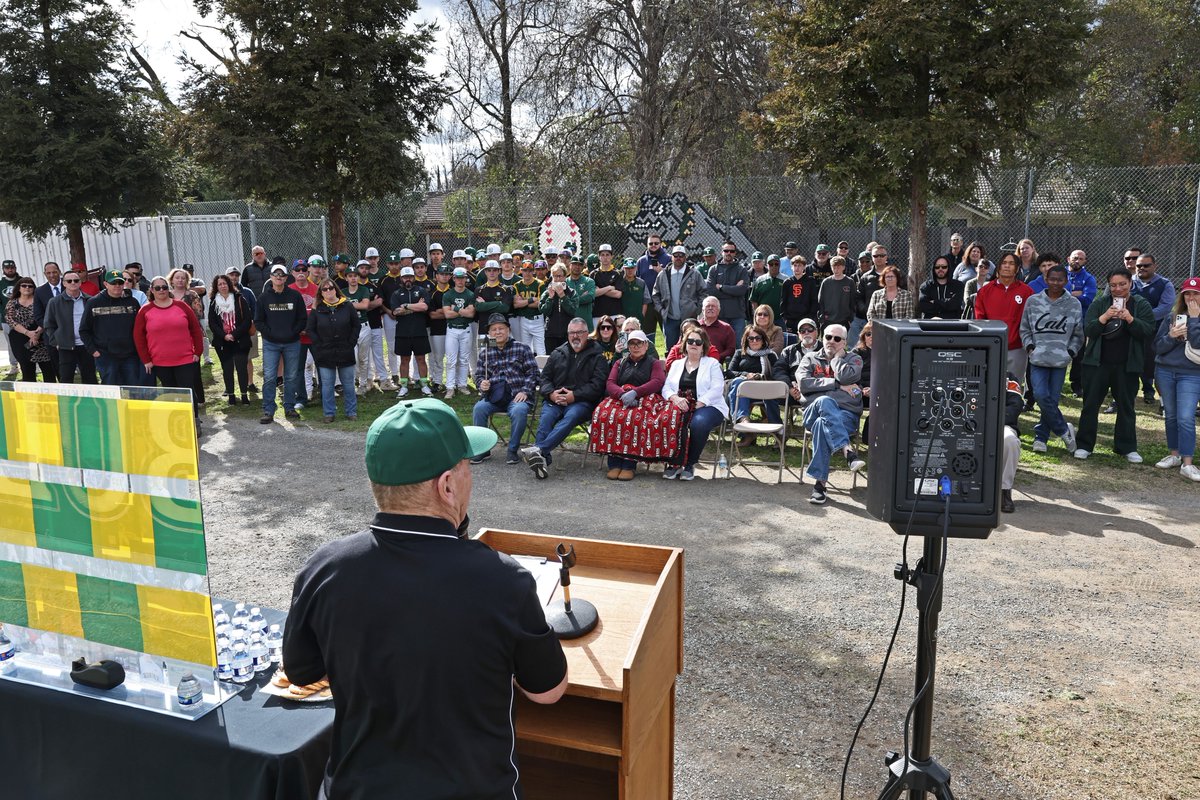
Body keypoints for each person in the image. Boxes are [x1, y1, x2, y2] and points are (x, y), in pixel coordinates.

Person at [282, 399, 567, 799]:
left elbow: (301, 672)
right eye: (469, 466)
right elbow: (548, 691)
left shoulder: (323, 568)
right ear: (447, 486)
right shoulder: (503, 581)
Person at [1074, 268, 1155, 461]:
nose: (1117, 289)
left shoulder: (1140, 304)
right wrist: (1104, 317)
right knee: (1090, 405)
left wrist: (1130, 318)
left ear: (1130, 284)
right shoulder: (1100, 303)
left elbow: (1148, 330)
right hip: (1097, 364)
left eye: (1122, 284)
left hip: (1127, 365)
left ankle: (1126, 447)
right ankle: (1084, 445)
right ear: (1108, 286)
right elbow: (1089, 329)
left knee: (1126, 407)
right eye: (1113, 285)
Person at [522, 318, 608, 478]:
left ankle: (539, 450)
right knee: (546, 419)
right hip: (555, 399)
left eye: (579, 332)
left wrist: (574, 396)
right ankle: (542, 461)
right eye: (572, 333)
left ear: (587, 333)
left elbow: (598, 385)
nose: (575, 336)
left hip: (581, 402)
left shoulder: (598, 356)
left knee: (570, 417)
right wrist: (551, 394)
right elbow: (544, 379)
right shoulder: (557, 353)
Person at [794, 323, 866, 505]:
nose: (831, 342)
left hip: (845, 415)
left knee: (821, 425)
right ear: (822, 338)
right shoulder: (809, 358)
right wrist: (837, 386)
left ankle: (819, 485)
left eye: (837, 339)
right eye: (828, 337)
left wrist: (837, 359)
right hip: (812, 411)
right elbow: (804, 384)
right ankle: (847, 451)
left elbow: (848, 377)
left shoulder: (854, 359)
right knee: (824, 402)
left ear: (845, 342)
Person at [1019, 264, 1083, 453]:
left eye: (1060, 279)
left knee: (1052, 399)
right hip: (1037, 358)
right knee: (1039, 395)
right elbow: (1025, 329)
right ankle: (1064, 430)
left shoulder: (1073, 303)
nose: (1055, 283)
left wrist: (1070, 352)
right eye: (1052, 279)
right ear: (1046, 279)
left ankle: (1041, 438)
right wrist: (1030, 347)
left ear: (1066, 281)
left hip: (1060, 360)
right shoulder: (1033, 301)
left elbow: (1078, 334)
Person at [592, 329, 666, 480]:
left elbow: (657, 382)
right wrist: (622, 394)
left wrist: (636, 393)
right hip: (621, 397)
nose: (636, 346)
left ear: (646, 345)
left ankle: (628, 464)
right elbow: (610, 382)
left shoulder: (654, 363)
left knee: (633, 418)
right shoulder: (620, 362)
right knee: (606, 414)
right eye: (632, 343)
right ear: (628, 346)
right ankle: (613, 463)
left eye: (639, 343)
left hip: (643, 398)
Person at [661, 327, 729, 480]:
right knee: (670, 420)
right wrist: (675, 398)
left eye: (698, 342)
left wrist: (702, 402)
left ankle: (690, 464)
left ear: (703, 345)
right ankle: (674, 463)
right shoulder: (676, 364)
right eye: (690, 341)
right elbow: (666, 387)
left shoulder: (712, 364)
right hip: (680, 404)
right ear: (685, 344)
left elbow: (718, 388)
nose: (693, 344)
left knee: (698, 423)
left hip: (709, 405)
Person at [471, 314, 539, 465]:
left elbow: (533, 373)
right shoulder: (486, 352)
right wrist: (482, 383)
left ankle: (512, 450)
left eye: (501, 328)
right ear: (489, 333)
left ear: (508, 330)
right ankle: (482, 450)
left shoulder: (522, 348)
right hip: (494, 397)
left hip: (517, 396)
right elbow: (479, 376)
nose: (498, 332)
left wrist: (525, 391)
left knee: (519, 411)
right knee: (479, 408)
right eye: (493, 329)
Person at [133, 276, 205, 419]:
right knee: (170, 394)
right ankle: (175, 423)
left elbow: (195, 329)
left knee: (188, 392)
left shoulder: (181, 306)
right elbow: (138, 336)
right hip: (160, 361)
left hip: (185, 359)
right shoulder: (145, 310)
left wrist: (198, 351)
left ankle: (192, 422)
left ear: (168, 289)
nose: (161, 290)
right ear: (152, 290)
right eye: (157, 288)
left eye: (164, 287)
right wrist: (146, 360)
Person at [1151, 277, 1200, 481]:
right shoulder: (1173, 317)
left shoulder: (1197, 318)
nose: (1191, 297)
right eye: (1187, 293)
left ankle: (1187, 463)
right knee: (1171, 416)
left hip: (1192, 373)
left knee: (1186, 417)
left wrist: (1195, 319)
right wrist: (1171, 336)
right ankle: (1174, 454)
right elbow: (1158, 347)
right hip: (1165, 370)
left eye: (1196, 293)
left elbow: (1197, 344)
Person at [254, 264, 309, 423]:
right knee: (270, 377)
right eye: (275, 274)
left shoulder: (295, 296)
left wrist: (293, 332)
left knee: (291, 377)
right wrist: (270, 334)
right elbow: (258, 321)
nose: (278, 277)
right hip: (271, 343)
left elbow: (302, 319)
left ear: (286, 278)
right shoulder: (263, 298)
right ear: (270, 277)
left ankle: (289, 407)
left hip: (292, 342)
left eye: (282, 275)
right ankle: (268, 410)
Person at [307, 279, 359, 422]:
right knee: (327, 384)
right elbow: (310, 329)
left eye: (331, 288)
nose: (328, 291)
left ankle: (351, 411)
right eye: (324, 289)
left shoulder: (347, 305)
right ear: (321, 293)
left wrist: (351, 343)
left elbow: (356, 325)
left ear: (336, 289)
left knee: (348, 383)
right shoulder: (317, 308)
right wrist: (318, 345)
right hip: (325, 352)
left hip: (345, 349)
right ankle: (329, 413)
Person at [975, 252, 1034, 377]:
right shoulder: (985, 291)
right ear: (998, 267)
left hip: (1017, 348)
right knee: (990, 384)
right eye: (1004, 263)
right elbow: (979, 320)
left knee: (1014, 387)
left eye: (1011, 263)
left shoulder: (1026, 291)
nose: (1007, 266)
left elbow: (1031, 319)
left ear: (1017, 269)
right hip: (991, 347)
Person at [80, 270, 142, 387]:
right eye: (113, 283)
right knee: (110, 389)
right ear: (105, 284)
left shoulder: (132, 302)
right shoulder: (93, 302)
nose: (117, 286)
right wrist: (93, 350)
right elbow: (84, 330)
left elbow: (139, 328)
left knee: (134, 388)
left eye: (120, 282)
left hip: (130, 355)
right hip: (105, 355)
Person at [1131, 253, 1176, 406]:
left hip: (1154, 331)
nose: (1141, 268)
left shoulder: (1165, 284)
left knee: (1150, 363)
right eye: (1138, 266)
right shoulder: (1129, 282)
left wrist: (1141, 318)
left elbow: (1165, 307)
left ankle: (1151, 393)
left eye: (1146, 265)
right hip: (1130, 330)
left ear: (1155, 266)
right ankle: (1124, 396)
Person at [43, 267, 98, 384]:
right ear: (64, 283)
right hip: (66, 347)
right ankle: (66, 402)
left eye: (76, 280)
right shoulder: (54, 302)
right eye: (69, 281)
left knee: (90, 377)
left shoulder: (90, 300)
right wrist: (56, 342)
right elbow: (49, 324)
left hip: (86, 345)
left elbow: (96, 323)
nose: (73, 283)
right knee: (66, 378)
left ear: (80, 282)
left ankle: (91, 402)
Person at [727, 326, 782, 442]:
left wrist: (761, 378)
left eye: (758, 338)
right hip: (744, 392)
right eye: (751, 339)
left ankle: (778, 433)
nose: (754, 341)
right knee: (738, 382)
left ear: (763, 340)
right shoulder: (739, 353)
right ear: (746, 340)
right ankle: (744, 424)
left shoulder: (770, 355)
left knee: (769, 390)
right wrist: (746, 375)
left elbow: (778, 372)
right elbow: (729, 372)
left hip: (765, 389)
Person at [206, 273, 253, 405]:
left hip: (240, 340)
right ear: (216, 287)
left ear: (229, 285)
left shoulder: (239, 299)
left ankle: (244, 395)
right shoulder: (214, 302)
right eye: (219, 284)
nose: (222, 286)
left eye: (224, 283)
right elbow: (212, 323)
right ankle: (231, 395)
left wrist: (234, 334)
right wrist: (224, 335)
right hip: (223, 341)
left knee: (241, 367)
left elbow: (247, 320)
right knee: (227, 369)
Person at [389, 266, 433, 397]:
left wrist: (406, 306)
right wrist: (415, 307)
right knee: (404, 360)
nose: (408, 279)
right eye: (405, 277)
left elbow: (424, 307)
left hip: (419, 330)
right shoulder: (396, 294)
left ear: (413, 278)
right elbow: (396, 312)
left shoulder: (421, 291)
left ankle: (424, 385)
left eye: (410, 277)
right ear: (401, 279)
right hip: (403, 332)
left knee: (421, 358)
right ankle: (404, 386)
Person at [651, 245, 704, 350]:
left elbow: (703, 292)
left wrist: (696, 309)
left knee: (690, 347)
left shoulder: (694, 273)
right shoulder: (663, 274)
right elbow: (655, 294)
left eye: (681, 255)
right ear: (672, 257)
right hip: (670, 319)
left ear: (685, 257)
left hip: (689, 318)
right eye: (676, 255)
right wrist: (661, 310)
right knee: (671, 349)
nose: (678, 257)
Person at [4, 276, 56, 382]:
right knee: (27, 370)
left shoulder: (39, 300)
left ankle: (50, 396)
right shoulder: (12, 303)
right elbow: (10, 320)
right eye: (24, 285)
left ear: (34, 288)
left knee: (48, 370)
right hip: (20, 339)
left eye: (30, 286)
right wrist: (28, 333)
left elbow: (46, 317)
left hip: (41, 337)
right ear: (18, 288)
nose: (27, 288)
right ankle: (30, 397)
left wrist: (36, 333)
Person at [1064, 250, 1098, 395]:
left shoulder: (1089, 278)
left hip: (1080, 322)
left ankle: (1077, 384)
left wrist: (1066, 294)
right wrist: (1076, 293)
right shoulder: (1060, 273)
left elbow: (1088, 298)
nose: (1077, 261)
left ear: (1085, 261)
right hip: (1059, 321)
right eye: (1075, 258)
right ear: (1068, 259)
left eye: (1081, 259)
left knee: (1078, 355)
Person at [441, 266, 477, 399]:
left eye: (463, 278)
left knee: (464, 359)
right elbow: (447, 314)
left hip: (466, 329)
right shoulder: (448, 294)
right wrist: (463, 311)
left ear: (466, 279)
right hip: (452, 329)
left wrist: (455, 308)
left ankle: (462, 384)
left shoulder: (470, 294)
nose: (460, 281)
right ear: (454, 278)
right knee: (451, 359)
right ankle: (450, 387)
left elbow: (471, 314)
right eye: (458, 278)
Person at [706, 242, 751, 341]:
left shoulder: (742, 270)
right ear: (722, 252)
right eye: (726, 250)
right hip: (719, 315)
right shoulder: (713, 269)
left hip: (737, 315)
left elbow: (742, 290)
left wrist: (721, 287)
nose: (728, 253)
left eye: (732, 251)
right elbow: (711, 291)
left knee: (739, 346)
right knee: (720, 344)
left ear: (735, 253)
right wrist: (734, 289)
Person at [635, 232, 671, 339]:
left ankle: (669, 355)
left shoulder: (669, 259)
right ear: (647, 245)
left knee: (668, 334)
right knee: (647, 335)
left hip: (663, 301)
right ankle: (649, 355)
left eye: (656, 243)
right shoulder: (641, 261)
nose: (653, 245)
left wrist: (662, 272)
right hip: (648, 303)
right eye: (650, 244)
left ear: (661, 244)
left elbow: (674, 279)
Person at [999, 373, 1025, 513]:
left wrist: (993, 420)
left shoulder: (1008, 377)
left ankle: (1004, 489)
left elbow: (1016, 405)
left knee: (1010, 440)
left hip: (1001, 424)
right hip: (966, 424)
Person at [539, 263, 577, 354]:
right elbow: (543, 310)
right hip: (551, 334)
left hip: (567, 333)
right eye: (555, 276)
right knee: (551, 359)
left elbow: (573, 311)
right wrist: (550, 298)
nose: (558, 279)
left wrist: (563, 297)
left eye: (560, 276)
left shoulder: (571, 292)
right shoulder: (547, 293)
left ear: (565, 276)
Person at [511, 260, 545, 354]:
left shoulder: (540, 283)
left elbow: (540, 304)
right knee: (525, 349)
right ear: (521, 271)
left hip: (538, 320)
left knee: (540, 349)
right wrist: (530, 300)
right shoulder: (517, 285)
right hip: (523, 320)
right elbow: (516, 305)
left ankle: (541, 369)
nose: (527, 273)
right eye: (525, 270)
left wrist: (523, 302)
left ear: (533, 271)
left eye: (530, 270)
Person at [817, 255, 857, 331]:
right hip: (828, 319)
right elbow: (820, 300)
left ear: (843, 267)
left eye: (838, 267)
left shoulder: (849, 282)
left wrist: (850, 318)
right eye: (834, 267)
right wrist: (822, 317)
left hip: (844, 320)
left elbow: (853, 301)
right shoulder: (826, 282)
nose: (836, 270)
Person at [780, 262, 819, 335]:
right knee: (791, 340)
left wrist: (811, 316)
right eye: (795, 265)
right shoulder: (787, 282)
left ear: (804, 267)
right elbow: (783, 301)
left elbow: (814, 300)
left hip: (805, 318)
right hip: (790, 319)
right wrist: (784, 317)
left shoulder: (810, 281)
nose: (797, 268)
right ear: (791, 267)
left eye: (799, 266)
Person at [698, 296, 736, 362]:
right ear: (702, 310)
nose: (710, 308)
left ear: (718, 310)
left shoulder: (726, 328)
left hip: (717, 364)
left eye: (713, 306)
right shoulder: (694, 326)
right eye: (707, 306)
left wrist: (717, 356)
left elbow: (731, 349)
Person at [750, 254, 785, 322]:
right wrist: (757, 315)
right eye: (771, 264)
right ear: (767, 265)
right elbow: (754, 300)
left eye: (776, 264)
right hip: (763, 318)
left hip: (780, 318)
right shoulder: (760, 280)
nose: (774, 266)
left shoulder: (786, 280)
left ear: (780, 265)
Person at [565, 254, 596, 330]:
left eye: (580, 265)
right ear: (570, 265)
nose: (577, 267)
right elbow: (562, 301)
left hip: (586, 323)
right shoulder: (564, 282)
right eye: (575, 264)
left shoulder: (589, 281)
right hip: (569, 323)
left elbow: (590, 297)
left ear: (583, 267)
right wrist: (581, 297)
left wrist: (570, 300)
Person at [0, 259, 19, 379]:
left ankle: (34, 364)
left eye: (12, 267)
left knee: (30, 341)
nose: (10, 269)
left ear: (15, 268)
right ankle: (14, 366)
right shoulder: (0, 284)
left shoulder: (22, 281)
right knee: (11, 344)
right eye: (7, 268)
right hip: (6, 319)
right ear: (3, 270)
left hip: (24, 318)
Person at [32, 261, 63, 329]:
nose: (52, 275)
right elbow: (38, 316)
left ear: (59, 271)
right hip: (52, 333)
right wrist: (51, 327)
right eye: (48, 273)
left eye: (54, 272)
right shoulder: (39, 291)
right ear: (45, 274)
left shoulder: (70, 284)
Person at [619, 258, 648, 325]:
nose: (630, 270)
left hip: (638, 318)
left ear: (636, 268)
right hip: (622, 319)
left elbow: (645, 301)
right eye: (627, 268)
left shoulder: (641, 283)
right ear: (623, 268)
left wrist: (642, 315)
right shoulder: (619, 282)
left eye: (632, 268)